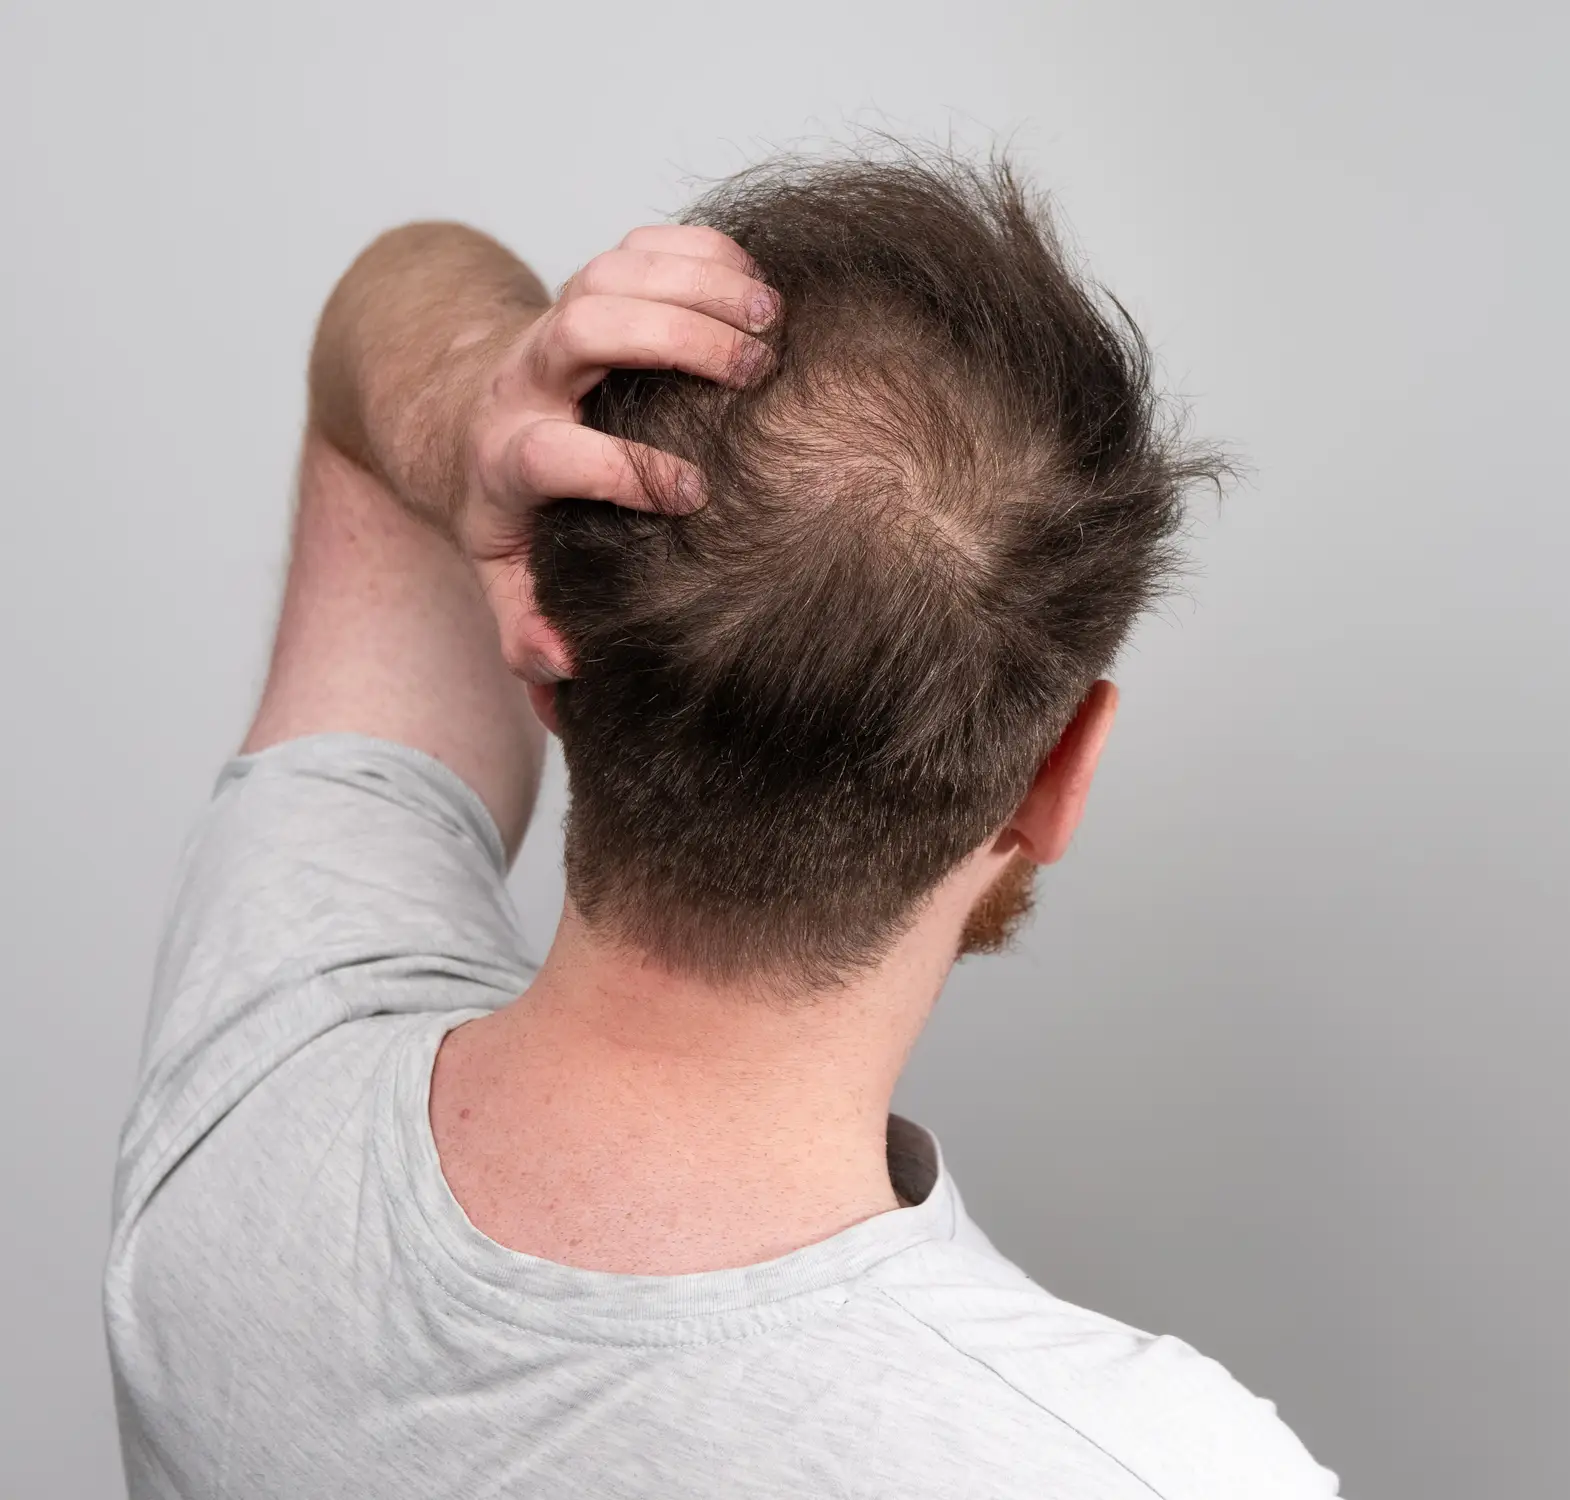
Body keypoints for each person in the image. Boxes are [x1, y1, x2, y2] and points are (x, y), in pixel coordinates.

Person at [104, 149, 1337, 1498]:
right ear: (1058, 775)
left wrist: (477, 405)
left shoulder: (268, 1039)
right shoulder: (1138, 1468)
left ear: (548, 654)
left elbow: (391, 299)